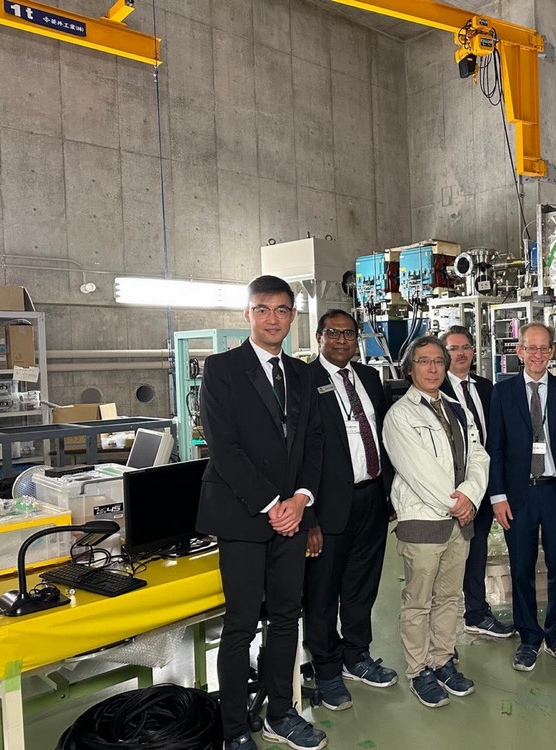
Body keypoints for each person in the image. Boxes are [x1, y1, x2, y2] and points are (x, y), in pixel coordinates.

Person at [197, 275, 327, 750]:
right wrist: (275, 505)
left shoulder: (304, 374)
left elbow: (313, 441)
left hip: (291, 516)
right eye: (262, 309)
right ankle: (234, 731)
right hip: (244, 517)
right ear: (247, 314)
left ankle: (280, 713)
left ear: (293, 316)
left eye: (282, 310)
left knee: (286, 618)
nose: (273, 319)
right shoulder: (222, 369)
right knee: (240, 624)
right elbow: (224, 449)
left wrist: (301, 500)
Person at [382, 335, 490, 708]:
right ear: (409, 369)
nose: (432, 369)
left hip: (459, 520)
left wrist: (472, 496)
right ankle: (418, 669)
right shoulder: (400, 415)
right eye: (423, 362)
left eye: (438, 362)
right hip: (425, 520)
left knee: (448, 597)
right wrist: (457, 503)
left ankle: (442, 659)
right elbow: (418, 471)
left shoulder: (457, 408)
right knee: (418, 601)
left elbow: (478, 454)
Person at [305, 309, 397, 712]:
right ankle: (326, 670)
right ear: (320, 336)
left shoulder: (370, 378)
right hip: (327, 507)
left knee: (362, 586)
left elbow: (384, 436)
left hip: (371, 498)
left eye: (349, 333)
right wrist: (308, 518)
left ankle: (357, 656)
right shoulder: (304, 381)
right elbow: (296, 454)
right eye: (333, 333)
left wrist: (389, 494)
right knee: (322, 593)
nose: (342, 340)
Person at [488, 322, 556, 672]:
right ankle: (529, 637)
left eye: (544, 348)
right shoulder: (502, 393)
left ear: (552, 352)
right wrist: (497, 495)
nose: (537, 355)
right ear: (518, 352)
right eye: (530, 348)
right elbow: (495, 449)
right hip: (518, 496)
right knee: (521, 569)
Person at [439, 325, 514, 639]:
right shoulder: (435, 387)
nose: (461, 354)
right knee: (443, 559)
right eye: (454, 348)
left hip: (482, 485)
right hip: (450, 490)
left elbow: (496, 438)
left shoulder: (486, 387)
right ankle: (440, 629)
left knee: (478, 550)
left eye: (466, 347)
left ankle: (476, 613)